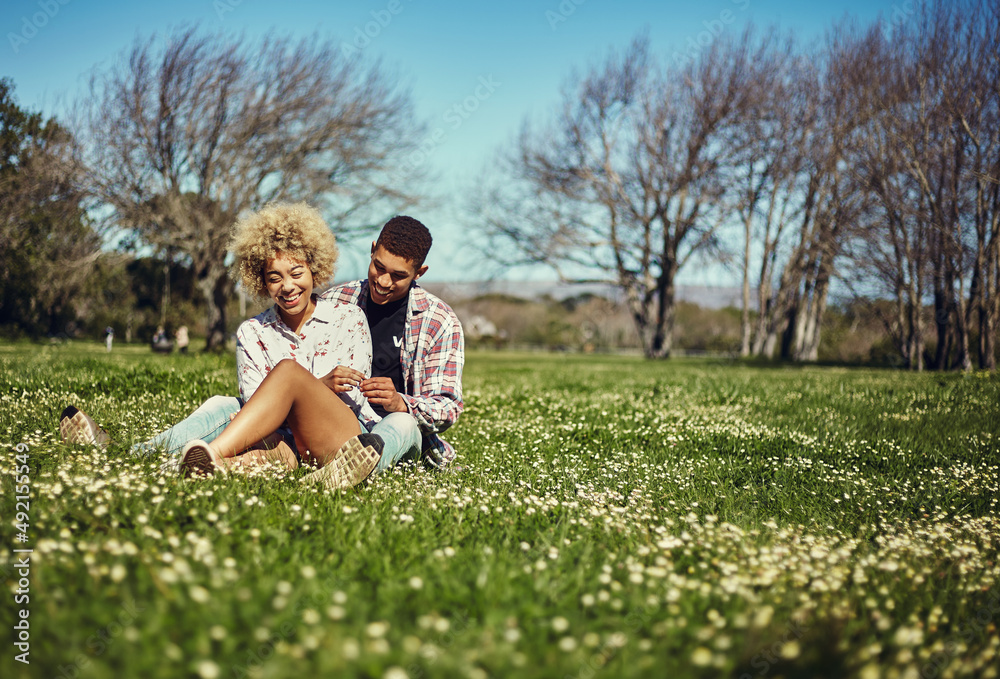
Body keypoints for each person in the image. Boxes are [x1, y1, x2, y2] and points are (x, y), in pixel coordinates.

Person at [62, 214, 465, 475]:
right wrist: (313, 389)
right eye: (378, 267)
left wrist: (401, 402)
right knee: (224, 405)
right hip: (297, 429)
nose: (382, 281)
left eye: (397, 276)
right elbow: (263, 398)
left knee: (401, 423)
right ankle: (134, 453)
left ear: (419, 273)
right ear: (371, 251)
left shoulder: (436, 322)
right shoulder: (338, 299)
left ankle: (218, 456)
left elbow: (448, 406)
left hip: (384, 432)